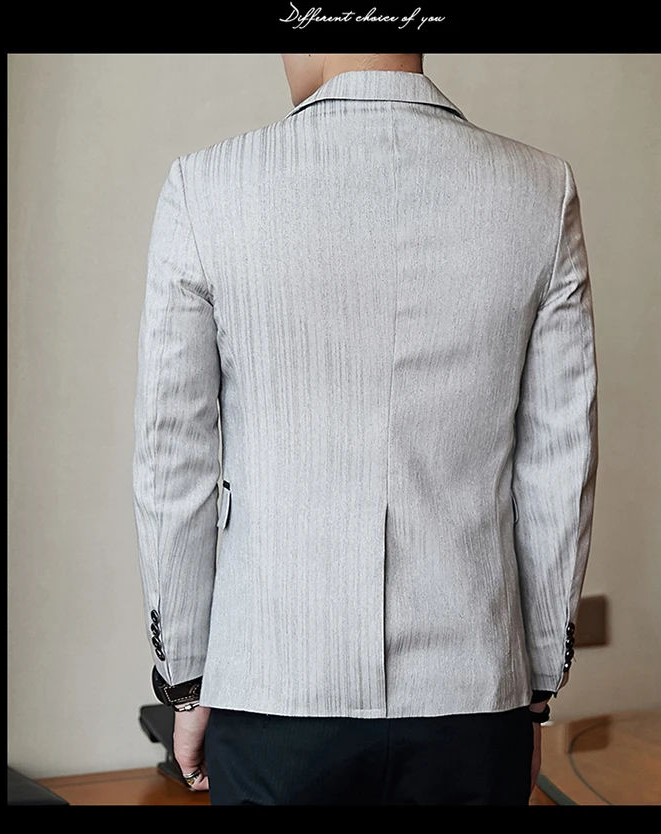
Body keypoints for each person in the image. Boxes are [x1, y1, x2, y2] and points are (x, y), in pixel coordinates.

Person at [132, 53, 599, 806]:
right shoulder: (540, 189)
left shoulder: (204, 187)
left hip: (271, 692)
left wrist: (185, 680)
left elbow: (172, 459)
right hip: (473, 698)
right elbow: (558, 466)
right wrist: (536, 685)